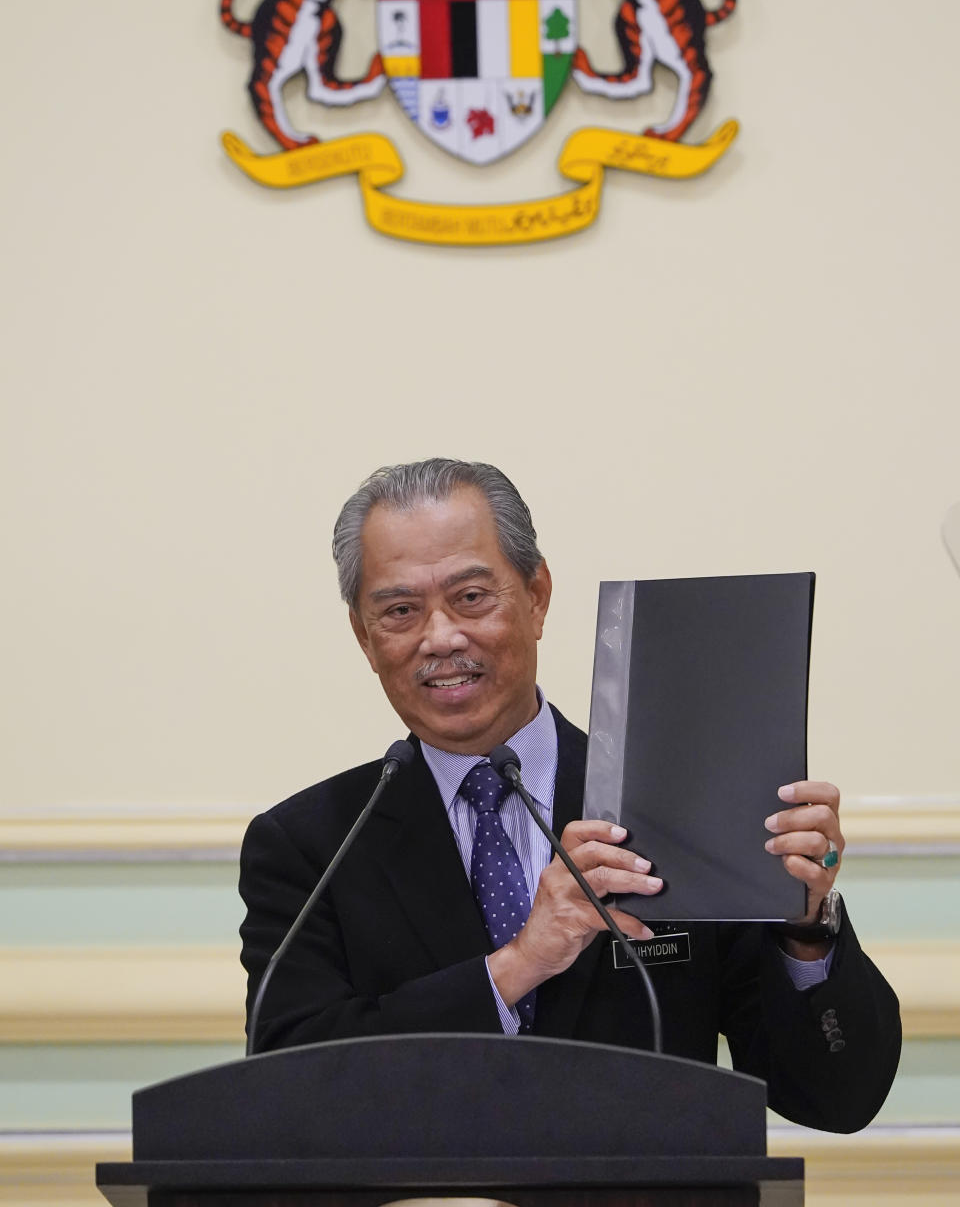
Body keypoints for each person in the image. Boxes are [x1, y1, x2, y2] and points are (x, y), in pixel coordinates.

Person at [239, 459, 901, 1132]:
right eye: (401, 611)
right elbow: (289, 1088)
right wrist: (516, 967)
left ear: (536, 597)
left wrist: (806, 927)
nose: (440, 638)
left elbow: (835, 1096)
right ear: (365, 637)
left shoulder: (676, 802)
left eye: (471, 597)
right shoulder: (308, 845)